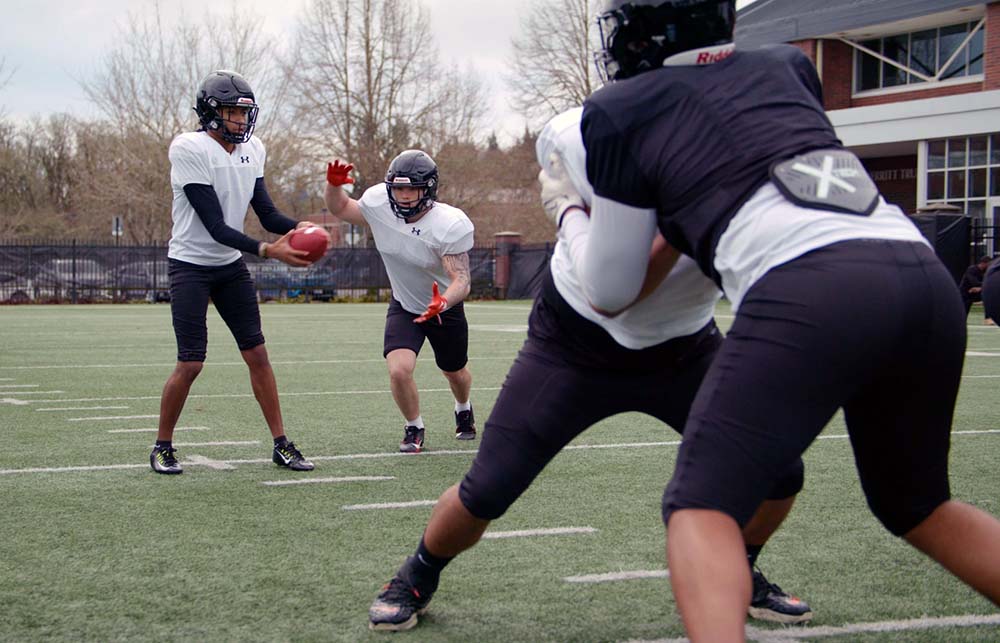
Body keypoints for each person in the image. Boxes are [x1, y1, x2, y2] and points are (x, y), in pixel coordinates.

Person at [566, 1, 1000, 639]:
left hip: (809, 284)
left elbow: (609, 289)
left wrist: (570, 214)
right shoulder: (786, 67)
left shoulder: (617, 109)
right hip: (922, 274)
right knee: (919, 505)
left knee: (701, 508)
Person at [366, 107, 813, 632]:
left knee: (781, 470)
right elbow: (610, 291)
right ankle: (417, 574)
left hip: (682, 345)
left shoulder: (750, 178)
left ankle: (742, 568)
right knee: (487, 487)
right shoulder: (582, 135)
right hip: (574, 342)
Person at [151, 70, 316, 475]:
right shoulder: (188, 148)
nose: (240, 121)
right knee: (191, 362)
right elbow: (216, 226)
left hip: (228, 267)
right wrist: (265, 249)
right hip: (191, 264)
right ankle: (162, 446)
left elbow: (267, 213)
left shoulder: (253, 149)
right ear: (211, 111)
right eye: (231, 112)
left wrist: (303, 229)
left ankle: (281, 443)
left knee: (257, 354)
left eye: (244, 113)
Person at [323, 150, 476, 453]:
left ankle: (463, 407)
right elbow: (341, 208)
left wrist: (443, 303)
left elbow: (462, 279)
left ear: (428, 189)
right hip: (405, 304)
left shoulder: (448, 223)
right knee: (399, 369)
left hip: (443, 308)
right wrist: (333, 186)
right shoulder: (379, 203)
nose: (404, 196)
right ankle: (414, 426)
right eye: (399, 188)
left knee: (454, 371)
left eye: (412, 189)